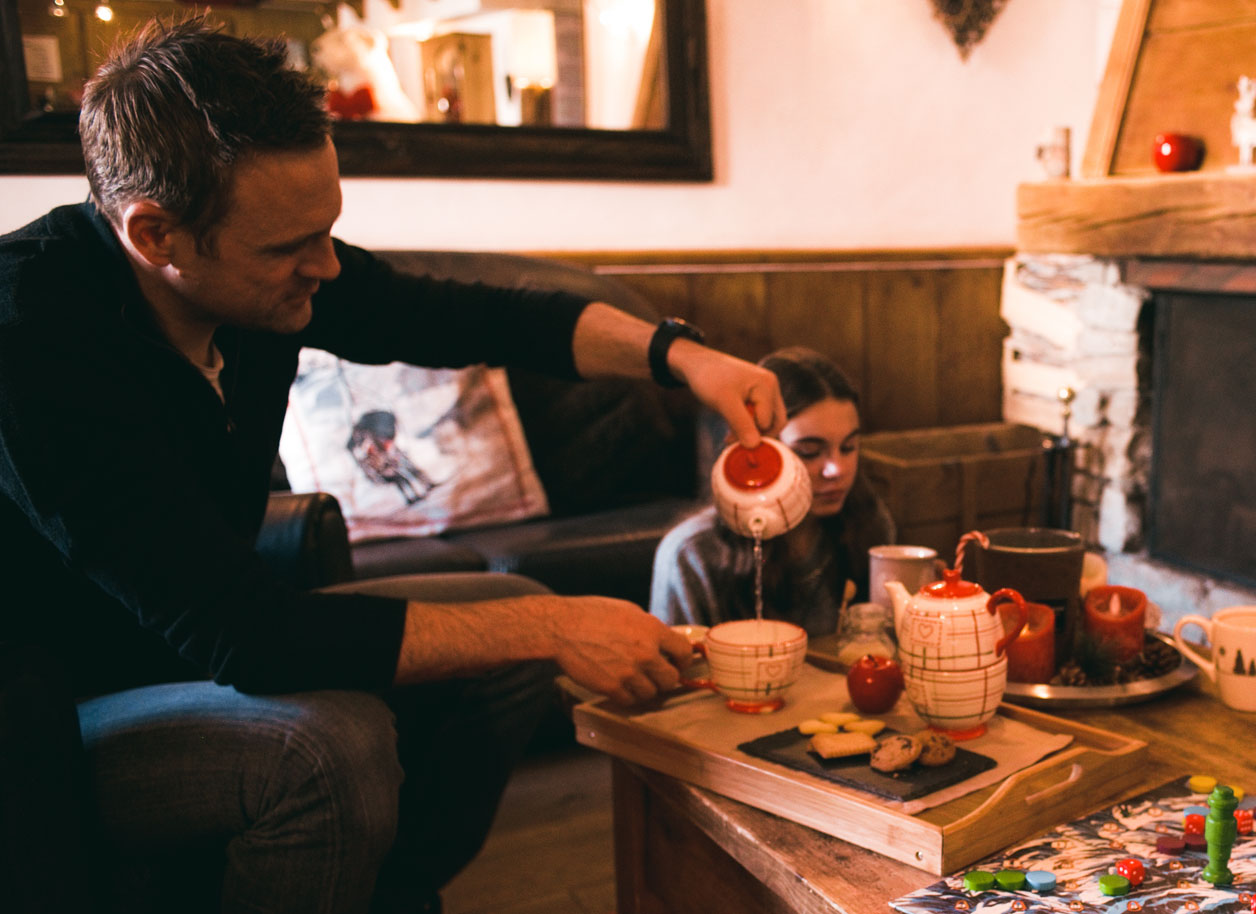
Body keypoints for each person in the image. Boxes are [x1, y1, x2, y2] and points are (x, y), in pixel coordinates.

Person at [0, 19, 785, 914]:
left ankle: (388, 893)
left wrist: (684, 357)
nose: (326, 266)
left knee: (509, 644)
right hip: (57, 711)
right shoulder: (32, 340)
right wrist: (557, 625)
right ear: (157, 236)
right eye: (287, 248)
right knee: (330, 749)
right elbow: (246, 636)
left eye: (329, 230)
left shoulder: (267, 281)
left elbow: (479, 318)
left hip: (188, 648)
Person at [651, 347, 895, 637]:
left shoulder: (868, 521)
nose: (836, 470)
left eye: (849, 447)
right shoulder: (691, 553)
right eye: (809, 452)